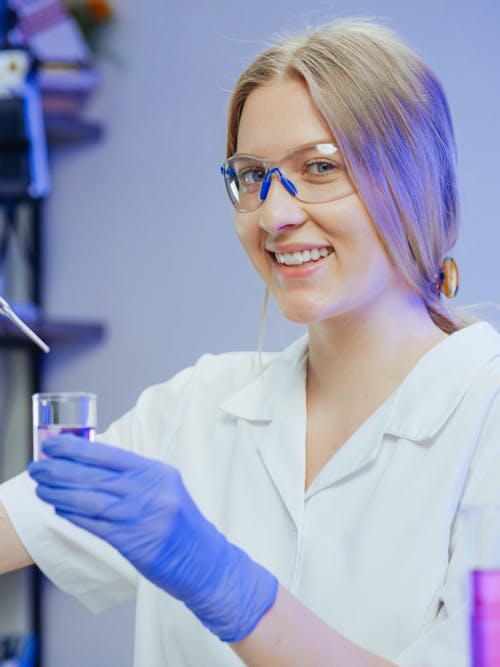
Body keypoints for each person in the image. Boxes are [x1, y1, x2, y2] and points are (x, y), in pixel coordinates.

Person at [1, 18, 499, 667]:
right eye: (251, 175)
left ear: (415, 177)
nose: (273, 213)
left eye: (320, 167)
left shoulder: (485, 413)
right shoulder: (200, 405)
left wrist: (222, 581)